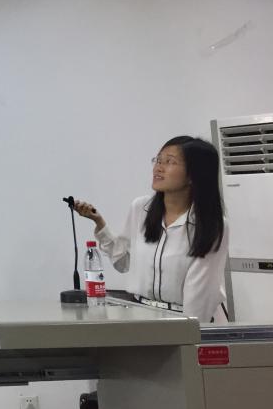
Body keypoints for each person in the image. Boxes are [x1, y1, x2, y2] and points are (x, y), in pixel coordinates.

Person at [73, 135, 229, 323]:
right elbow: (123, 262)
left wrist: (189, 331)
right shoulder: (141, 209)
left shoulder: (211, 224)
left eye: (170, 162)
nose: (158, 168)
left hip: (184, 321)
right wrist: (99, 224)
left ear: (193, 175)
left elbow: (200, 292)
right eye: (158, 160)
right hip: (140, 317)